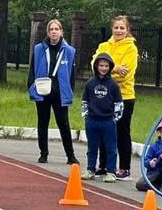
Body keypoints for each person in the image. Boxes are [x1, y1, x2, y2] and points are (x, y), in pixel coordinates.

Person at [92, 16, 138, 179]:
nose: (118, 31)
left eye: (122, 28)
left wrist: (105, 71)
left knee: (121, 131)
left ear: (127, 30)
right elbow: (94, 66)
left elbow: (126, 75)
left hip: (124, 96)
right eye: (116, 27)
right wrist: (116, 68)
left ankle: (124, 168)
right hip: (103, 96)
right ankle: (103, 165)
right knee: (104, 129)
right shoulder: (104, 46)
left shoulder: (131, 49)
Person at [28, 18, 78, 165]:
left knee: (64, 123)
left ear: (61, 31)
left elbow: (72, 74)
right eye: (51, 29)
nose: (54, 32)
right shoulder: (39, 49)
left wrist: (70, 92)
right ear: (48, 32)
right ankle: (43, 153)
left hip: (60, 93)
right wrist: (32, 88)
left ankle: (70, 155)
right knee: (42, 122)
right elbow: (32, 71)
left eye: (57, 29)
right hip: (42, 91)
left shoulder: (69, 51)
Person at [81, 52, 122, 182]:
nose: (103, 68)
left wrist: (114, 118)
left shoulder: (113, 85)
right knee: (92, 147)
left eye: (106, 66)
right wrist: (86, 116)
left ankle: (111, 171)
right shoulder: (90, 83)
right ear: (96, 66)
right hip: (92, 121)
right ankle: (90, 169)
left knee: (110, 148)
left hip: (108, 121)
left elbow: (118, 104)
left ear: (110, 67)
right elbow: (84, 101)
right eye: (101, 65)